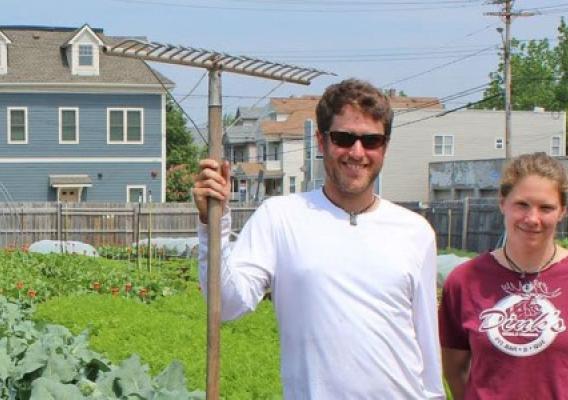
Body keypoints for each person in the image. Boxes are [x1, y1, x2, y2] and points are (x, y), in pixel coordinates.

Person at [193, 79, 444, 399]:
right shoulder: (281, 217)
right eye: (343, 138)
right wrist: (211, 223)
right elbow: (227, 304)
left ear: (385, 146)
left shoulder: (415, 231)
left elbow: (426, 344)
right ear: (321, 142)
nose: (357, 152)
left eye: (371, 140)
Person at [439, 152, 568, 400]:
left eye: (546, 207)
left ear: (562, 211)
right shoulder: (464, 280)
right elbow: (455, 370)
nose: (532, 218)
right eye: (522, 204)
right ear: (502, 203)